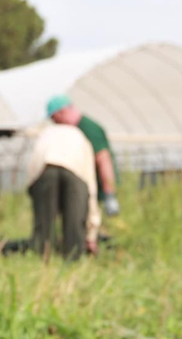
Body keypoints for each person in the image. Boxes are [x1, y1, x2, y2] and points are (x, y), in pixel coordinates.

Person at [25, 118, 101, 260]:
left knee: (44, 224)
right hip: (76, 172)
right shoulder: (80, 137)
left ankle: (42, 259)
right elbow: (90, 184)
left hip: (44, 169)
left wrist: (33, 189)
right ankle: (74, 259)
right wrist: (92, 233)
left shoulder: (45, 134)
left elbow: (32, 168)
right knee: (75, 221)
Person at [46, 95, 120, 217]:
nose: (55, 123)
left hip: (100, 192)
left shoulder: (88, 128)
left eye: (54, 119)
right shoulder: (73, 130)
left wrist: (109, 195)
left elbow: (104, 160)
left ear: (62, 112)